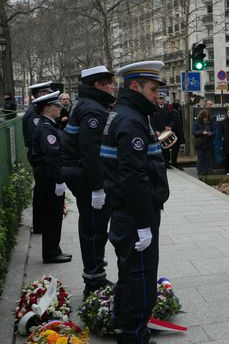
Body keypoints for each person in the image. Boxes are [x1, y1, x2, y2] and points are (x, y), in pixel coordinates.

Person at [101, 61, 169, 344]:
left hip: (129, 212)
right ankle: (134, 335)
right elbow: (133, 178)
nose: (157, 96)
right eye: (153, 89)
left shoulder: (129, 114)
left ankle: (128, 327)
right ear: (134, 86)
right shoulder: (131, 120)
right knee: (140, 278)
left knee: (131, 274)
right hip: (135, 214)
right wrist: (143, 224)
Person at [62, 66, 116, 296]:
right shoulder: (93, 111)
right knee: (94, 229)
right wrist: (97, 188)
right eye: (109, 83)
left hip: (79, 174)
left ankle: (95, 273)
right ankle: (94, 281)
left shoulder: (87, 105)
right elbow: (91, 152)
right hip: (86, 178)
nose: (113, 87)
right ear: (98, 85)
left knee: (92, 226)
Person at [31, 90, 72, 264]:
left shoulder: (46, 125)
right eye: (56, 106)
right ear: (47, 108)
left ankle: (53, 249)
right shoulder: (46, 128)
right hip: (49, 177)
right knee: (53, 215)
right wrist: (59, 180)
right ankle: (51, 253)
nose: (59, 108)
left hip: (46, 176)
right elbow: (52, 157)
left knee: (53, 214)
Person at [23, 81, 55, 234]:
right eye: (46, 93)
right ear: (40, 95)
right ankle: (40, 224)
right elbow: (32, 139)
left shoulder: (35, 112)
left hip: (40, 156)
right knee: (42, 192)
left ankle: (40, 223)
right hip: (40, 158)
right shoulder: (33, 114)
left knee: (41, 191)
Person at [150, 92, 174, 169]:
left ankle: (167, 163)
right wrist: (155, 130)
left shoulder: (168, 107)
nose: (161, 100)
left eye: (162, 99)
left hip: (166, 131)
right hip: (158, 131)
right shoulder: (153, 108)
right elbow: (152, 121)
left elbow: (173, 119)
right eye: (159, 99)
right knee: (158, 148)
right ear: (157, 100)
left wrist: (170, 126)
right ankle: (159, 163)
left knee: (167, 148)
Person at [192, 110, 216, 177]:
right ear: (201, 117)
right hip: (200, 143)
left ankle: (208, 172)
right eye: (204, 117)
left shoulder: (211, 123)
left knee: (208, 158)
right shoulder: (197, 123)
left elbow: (214, 131)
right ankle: (201, 172)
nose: (205, 119)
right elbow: (194, 132)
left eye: (207, 117)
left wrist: (211, 133)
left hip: (208, 143)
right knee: (201, 158)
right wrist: (202, 132)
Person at [170, 100, 185, 170]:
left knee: (175, 149)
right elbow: (176, 125)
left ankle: (174, 162)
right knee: (175, 149)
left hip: (176, 134)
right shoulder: (175, 113)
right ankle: (174, 162)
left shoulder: (175, 113)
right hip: (176, 135)